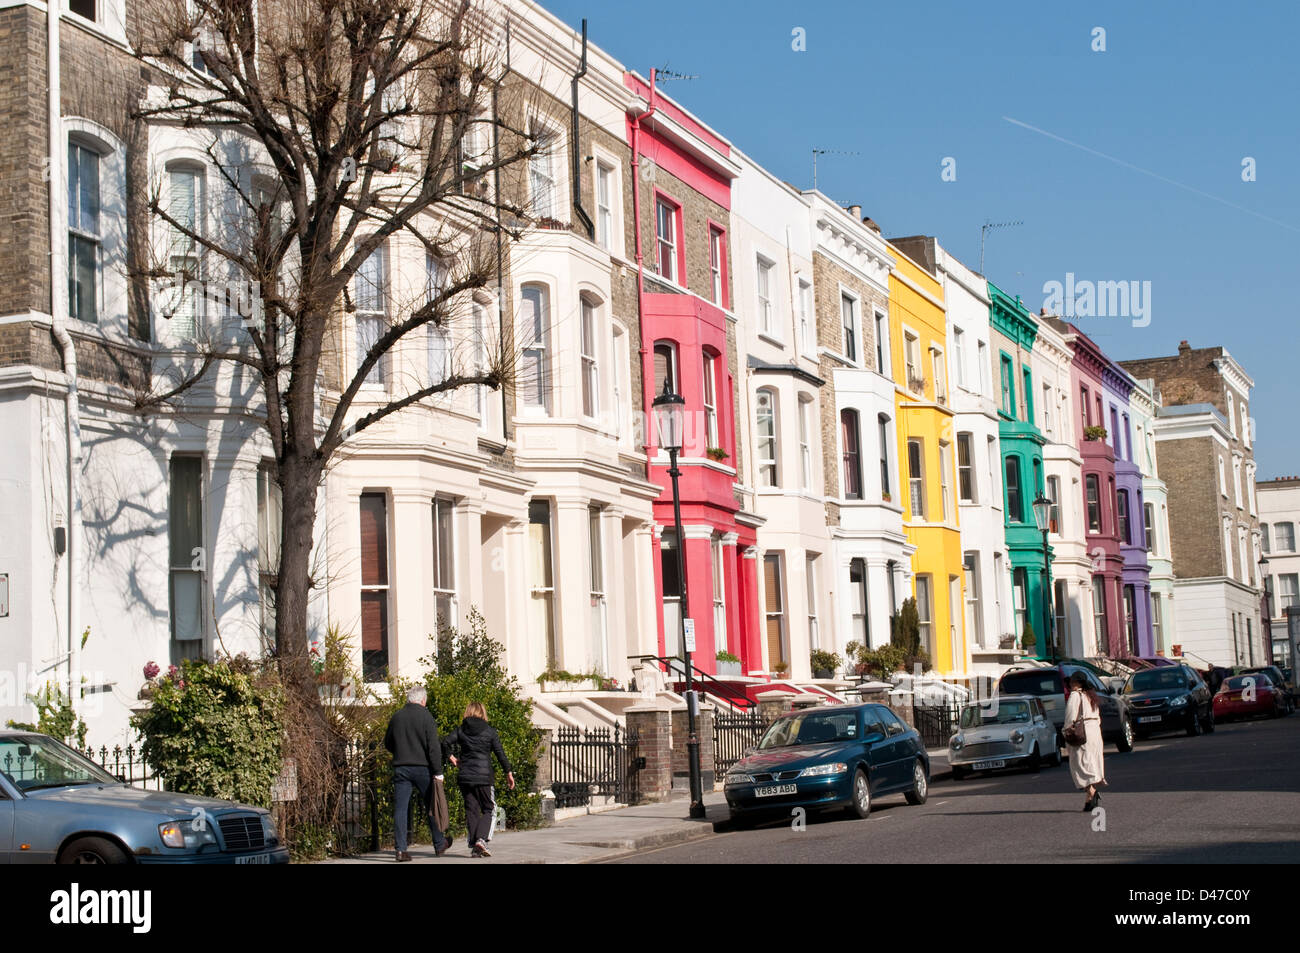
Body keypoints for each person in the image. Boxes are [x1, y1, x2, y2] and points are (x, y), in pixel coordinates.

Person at [383, 685, 451, 861]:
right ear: (422, 700)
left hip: (401, 767)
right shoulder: (426, 717)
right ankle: (439, 844)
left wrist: (400, 752)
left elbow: (387, 742)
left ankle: (400, 849)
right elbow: (433, 747)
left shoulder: (397, 717)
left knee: (400, 808)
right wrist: (438, 771)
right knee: (431, 806)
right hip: (423, 768)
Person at [443, 701, 515, 857]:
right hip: (484, 777)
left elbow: (445, 742)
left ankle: (475, 845)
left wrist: (452, 758)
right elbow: (500, 753)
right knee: (490, 809)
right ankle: (481, 840)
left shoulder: (461, 729)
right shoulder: (489, 731)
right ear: (483, 712)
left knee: (472, 810)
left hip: (465, 776)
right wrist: (508, 772)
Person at [1064, 670, 1106, 811]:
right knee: (1091, 761)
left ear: (1076, 683)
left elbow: (1070, 716)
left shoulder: (1075, 695)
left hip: (1082, 732)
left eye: (1071, 681)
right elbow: (1098, 716)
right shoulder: (1091, 696)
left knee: (1080, 763)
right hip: (1095, 731)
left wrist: (1066, 732)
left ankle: (1091, 792)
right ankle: (1089, 799)